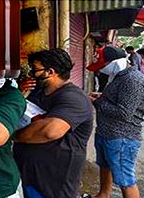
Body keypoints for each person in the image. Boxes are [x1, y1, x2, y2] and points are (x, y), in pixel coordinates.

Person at [13, 49, 93, 198]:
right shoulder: (37, 91)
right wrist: (19, 91)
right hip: (29, 172)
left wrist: (12, 135)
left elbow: (49, 131)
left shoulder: (74, 98)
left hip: (54, 181)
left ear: (50, 72)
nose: (31, 74)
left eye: (34, 70)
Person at [86, 46, 144, 198]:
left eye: (103, 67)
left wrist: (99, 101)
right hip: (106, 132)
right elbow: (119, 99)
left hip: (122, 137)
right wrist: (102, 95)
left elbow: (124, 113)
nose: (101, 71)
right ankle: (103, 194)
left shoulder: (133, 80)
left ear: (115, 63)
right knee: (104, 166)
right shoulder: (119, 76)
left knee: (125, 179)